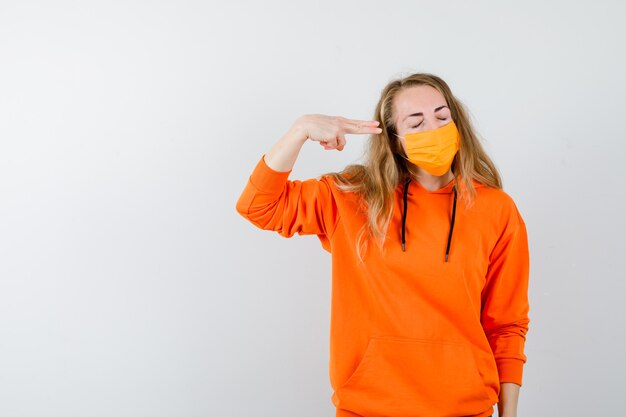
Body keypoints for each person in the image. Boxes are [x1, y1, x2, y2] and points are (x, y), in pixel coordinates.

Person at [235, 72, 529, 417]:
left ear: (457, 122)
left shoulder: (496, 209)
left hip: (465, 408)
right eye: (416, 122)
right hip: (367, 407)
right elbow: (258, 206)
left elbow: (506, 324)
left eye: (442, 116)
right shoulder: (352, 196)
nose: (433, 129)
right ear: (394, 138)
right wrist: (300, 130)